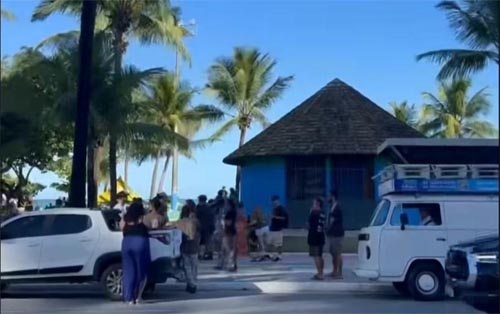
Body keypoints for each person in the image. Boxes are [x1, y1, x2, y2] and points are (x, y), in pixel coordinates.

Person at [120, 202, 150, 305]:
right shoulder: (143, 218)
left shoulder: (125, 218)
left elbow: (121, 227)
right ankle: (138, 297)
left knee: (128, 271)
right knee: (141, 270)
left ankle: (128, 298)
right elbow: (151, 226)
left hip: (126, 242)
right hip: (140, 242)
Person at [326, 190, 344, 279]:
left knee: (338, 253)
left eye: (329, 196)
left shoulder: (337, 208)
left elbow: (332, 221)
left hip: (337, 234)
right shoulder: (332, 207)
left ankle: (339, 272)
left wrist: (327, 229)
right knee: (333, 253)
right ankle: (334, 270)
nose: (327, 198)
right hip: (332, 233)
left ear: (332, 197)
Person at [215, 199, 238, 272]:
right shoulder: (233, 212)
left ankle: (228, 265)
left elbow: (228, 223)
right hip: (230, 231)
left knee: (228, 248)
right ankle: (227, 264)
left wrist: (223, 222)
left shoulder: (230, 213)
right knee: (227, 249)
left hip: (229, 232)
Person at [307, 197, 326, 280]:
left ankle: (319, 273)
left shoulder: (313, 213)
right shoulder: (323, 213)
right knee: (320, 255)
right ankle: (321, 272)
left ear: (317, 204)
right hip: (321, 236)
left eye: (314, 203)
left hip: (314, 236)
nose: (313, 205)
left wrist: (310, 212)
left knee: (316, 256)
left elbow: (308, 225)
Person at [268, 195, 288, 262]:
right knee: (270, 242)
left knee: (279, 243)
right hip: (272, 228)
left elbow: (284, 218)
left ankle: (279, 255)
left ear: (278, 200)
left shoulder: (281, 209)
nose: (274, 202)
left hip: (278, 228)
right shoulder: (274, 209)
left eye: (275, 201)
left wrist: (275, 217)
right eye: (273, 201)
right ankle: (271, 255)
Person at [196, 195, 215, 260]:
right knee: (208, 241)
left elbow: (197, 217)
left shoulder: (199, 208)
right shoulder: (209, 208)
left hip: (201, 227)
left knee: (200, 241)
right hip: (209, 226)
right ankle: (208, 254)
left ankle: (200, 254)